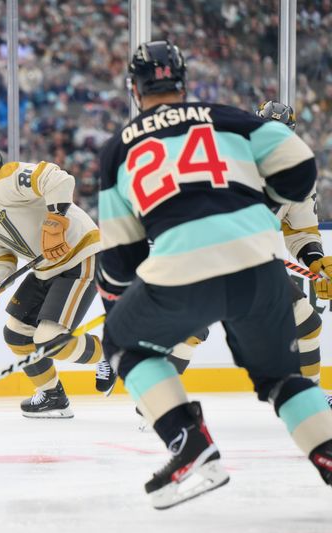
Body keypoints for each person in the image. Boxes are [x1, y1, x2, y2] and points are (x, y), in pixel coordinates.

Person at [96, 40, 332, 509]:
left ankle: (188, 441)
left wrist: (120, 298)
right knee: (283, 378)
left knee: (122, 342)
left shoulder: (117, 149)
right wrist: (256, 201)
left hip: (183, 267)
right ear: (183, 81)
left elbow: (119, 259)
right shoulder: (229, 118)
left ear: (135, 89)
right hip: (258, 268)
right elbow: (301, 168)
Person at [0, 142, 103, 418]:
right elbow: (1, 260)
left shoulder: (8, 179)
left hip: (79, 255)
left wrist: (56, 220)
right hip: (46, 268)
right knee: (16, 333)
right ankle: (52, 396)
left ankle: (114, 356)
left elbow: (58, 178)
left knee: (49, 340)